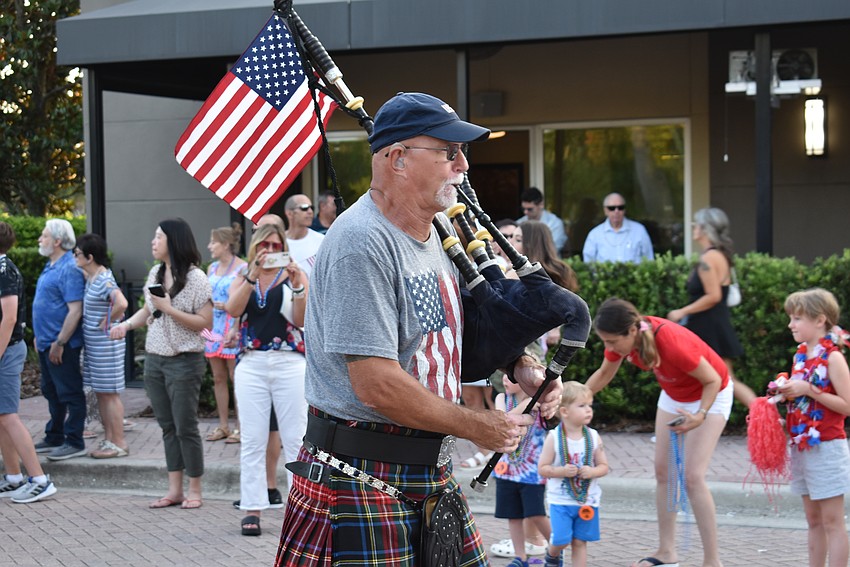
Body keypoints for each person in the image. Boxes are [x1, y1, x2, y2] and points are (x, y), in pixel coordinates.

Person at [276, 91, 562, 566]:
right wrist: (476, 425)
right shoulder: (362, 243)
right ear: (398, 159)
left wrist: (519, 365)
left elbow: (450, 331)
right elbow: (376, 384)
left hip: (424, 468)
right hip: (358, 472)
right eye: (450, 152)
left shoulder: (434, 236)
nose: (464, 165)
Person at [586, 298, 730, 567]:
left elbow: (713, 380)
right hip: (675, 396)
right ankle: (667, 552)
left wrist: (700, 415)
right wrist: (575, 398)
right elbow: (604, 374)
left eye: (612, 342)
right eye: (605, 342)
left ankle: (713, 561)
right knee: (664, 472)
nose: (609, 348)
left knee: (692, 477)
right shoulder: (626, 338)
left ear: (631, 331)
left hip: (712, 393)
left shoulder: (671, 341)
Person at [109, 218, 212, 510]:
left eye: (158, 237)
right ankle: (174, 489)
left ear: (174, 241)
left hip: (184, 360)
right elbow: (147, 310)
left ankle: (195, 489)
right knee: (167, 426)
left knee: (185, 426)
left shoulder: (196, 278)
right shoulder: (155, 272)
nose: (153, 242)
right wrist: (126, 326)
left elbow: (205, 323)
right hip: (155, 360)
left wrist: (169, 308)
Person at [226, 222, 308, 536]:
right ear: (256, 247)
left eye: (276, 246)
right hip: (252, 362)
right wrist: (251, 275)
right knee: (253, 439)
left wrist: (298, 284)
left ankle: (300, 510)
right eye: (265, 246)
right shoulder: (243, 276)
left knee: (296, 440)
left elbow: (300, 319)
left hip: (289, 361)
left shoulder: (293, 275)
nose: (270, 252)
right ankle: (252, 508)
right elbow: (233, 310)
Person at [776, 289, 850, 567]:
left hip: (827, 447)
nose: (790, 324)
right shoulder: (801, 357)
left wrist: (809, 389)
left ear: (820, 320)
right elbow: (804, 402)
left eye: (797, 318)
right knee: (813, 520)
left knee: (832, 521)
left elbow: (847, 405)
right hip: (803, 446)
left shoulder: (833, 358)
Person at [666, 207, 756, 408]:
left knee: (719, 378)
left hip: (709, 327)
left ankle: (768, 416)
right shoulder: (718, 255)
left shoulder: (709, 258)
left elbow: (713, 296)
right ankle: (767, 416)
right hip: (712, 324)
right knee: (714, 378)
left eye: (697, 224)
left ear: (706, 229)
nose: (694, 228)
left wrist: (682, 311)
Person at [0, 222, 58, 503]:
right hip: (6, 351)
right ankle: (13, 477)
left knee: (8, 416)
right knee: (2, 417)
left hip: (6, 351)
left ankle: (39, 479)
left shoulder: (4, 270)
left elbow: (9, 318)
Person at [32, 219, 87, 461]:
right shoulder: (51, 265)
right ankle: (55, 434)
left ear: (56, 241)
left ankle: (74, 441)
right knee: (50, 390)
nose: (39, 240)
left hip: (62, 345)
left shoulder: (69, 268)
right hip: (46, 342)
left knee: (69, 392)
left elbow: (75, 309)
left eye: (43, 236)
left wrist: (60, 342)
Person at [538, 381, 609, 567]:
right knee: (561, 539)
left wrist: (592, 471)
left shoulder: (593, 436)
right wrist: (561, 471)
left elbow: (603, 466)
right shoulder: (553, 437)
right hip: (560, 500)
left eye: (590, 406)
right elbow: (543, 468)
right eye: (582, 405)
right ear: (564, 412)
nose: (588, 410)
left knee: (580, 542)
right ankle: (552, 555)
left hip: (588, 500)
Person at [74, 233, 130, 459]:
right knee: (102, 394)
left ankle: (119, 442)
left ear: (89, 257)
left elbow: (122, 303)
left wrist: (108, 321)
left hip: (106, 347)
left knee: (109, 394)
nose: (74, 257)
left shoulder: (105, 279)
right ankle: (110, 440)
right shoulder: (93, 278)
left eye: (77, 254)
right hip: (96, 348)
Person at [492, 373, 551, 567]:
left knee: (536, 513)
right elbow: (505, 420)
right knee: (513, 515)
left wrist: (533, 403)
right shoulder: (502, 398)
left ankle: (556, 550)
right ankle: (520, 558)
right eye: (504, 376)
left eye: (511, 377)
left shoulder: (539, 401)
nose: (505, 380)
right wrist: (526, 406)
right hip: (506, 469)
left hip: (532, 472)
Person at [204, 223, 246, 444]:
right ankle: (223, 425)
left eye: (214, 242)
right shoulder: (211, 268)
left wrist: (233, 318)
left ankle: (240, 427)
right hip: (213, 327)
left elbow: (243, 299)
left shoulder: (242, 268)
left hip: (232, 325)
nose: (210, 246)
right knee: (218, 379)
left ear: (226, 244)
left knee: (235, 377)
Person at [582, 193, 654, 264]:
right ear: (605, 211)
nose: (616, 211)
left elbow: (649, 260)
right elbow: (588, 264)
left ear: (624, 210)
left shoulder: (639, 230)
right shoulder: (595, 234)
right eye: (612, 208)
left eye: (620, 208)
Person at [516, 187, 567, 253]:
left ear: (541, 205)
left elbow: (552, 250)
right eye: (523, 209)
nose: (525, 212)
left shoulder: (555, 224)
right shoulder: (519, 223)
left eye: (530, 209)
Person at [284, 194, 324, 277]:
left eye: (311, 208)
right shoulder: (277, 243)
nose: (310, 212)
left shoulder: (322, 241)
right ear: (289, 213)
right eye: (304, 208)